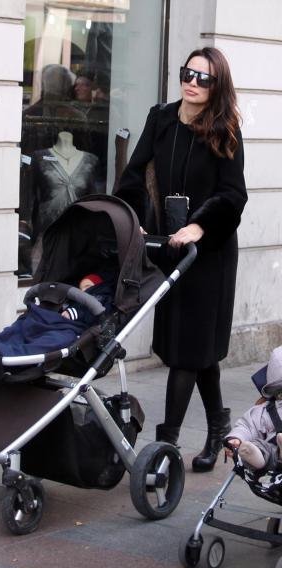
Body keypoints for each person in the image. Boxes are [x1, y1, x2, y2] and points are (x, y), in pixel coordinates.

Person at [116, 47, 247, 472]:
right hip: (168, 248)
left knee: (189, 352)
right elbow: (133, 175)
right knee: (194, 350)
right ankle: (218, 429)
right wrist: (134, 219)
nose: (192, 82)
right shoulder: (162, 119)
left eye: (203, 78)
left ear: (217, 86)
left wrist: (200, 226)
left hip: (207, 255)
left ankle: (164, 450)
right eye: (187, 73)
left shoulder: (225, 129)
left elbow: (233, 196)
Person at [225, 347, 282, 471]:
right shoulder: (266, 410)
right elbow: (247, 426)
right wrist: (236, 438)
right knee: (259, 447)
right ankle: (254, 453)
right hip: (272, 458)